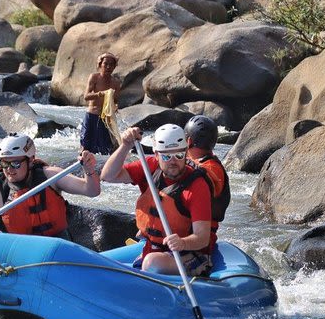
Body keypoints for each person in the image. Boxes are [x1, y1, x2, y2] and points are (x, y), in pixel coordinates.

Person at [101, 124, 213, 276]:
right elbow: (108, 176)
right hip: (154, 247)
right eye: (166, 156)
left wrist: (182, 242)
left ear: (186, 152)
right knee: (101, 262)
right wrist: (125, 146)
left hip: (189, 253)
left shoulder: (197, 185)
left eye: (179, 155)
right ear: (156, 155)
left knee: (151, 263)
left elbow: (202, 238)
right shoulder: (150, 168)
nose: (173, 161)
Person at [0, 134, 100, 240]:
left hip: (57, 246)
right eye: (4, 164)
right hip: (17, 253)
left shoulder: (50, 176)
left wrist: (89, 170)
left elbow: (91, 190)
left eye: (15, 163)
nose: (9, 169)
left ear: (31, 160)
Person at [184, 115, 231, 251]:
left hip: (198, 240)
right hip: (179, 233)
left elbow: (206, 178)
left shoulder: (212, 167)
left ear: (188, 141)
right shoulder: (186, 160)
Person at [81, 52, 121, 154]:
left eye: (111, 65)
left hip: (106, 120)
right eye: (105, 64)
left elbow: (116, 101)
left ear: (114, 67)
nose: (108, 67)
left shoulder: (115, 83)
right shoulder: (94, 77)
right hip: (92, 116)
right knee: (85, 146)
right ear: (100, 65)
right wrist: (100, 94)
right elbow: (86, 96)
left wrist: (116, 107)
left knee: (106, 149)